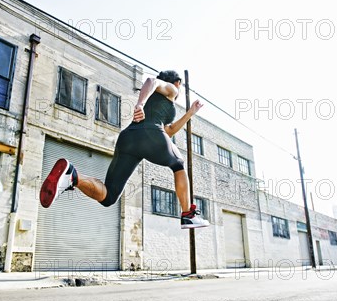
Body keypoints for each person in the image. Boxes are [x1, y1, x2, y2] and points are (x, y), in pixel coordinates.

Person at [39, 70, 209, 229]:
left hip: (128, 139)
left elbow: (169, 131)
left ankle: (73, 176)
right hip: (150, 135)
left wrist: (190, 113)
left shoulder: (158, 100)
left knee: (109, 196)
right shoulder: (172, 89)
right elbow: (152, 80)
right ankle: (188, 213)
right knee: (178, 163)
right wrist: (140, 105)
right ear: (177, 82)